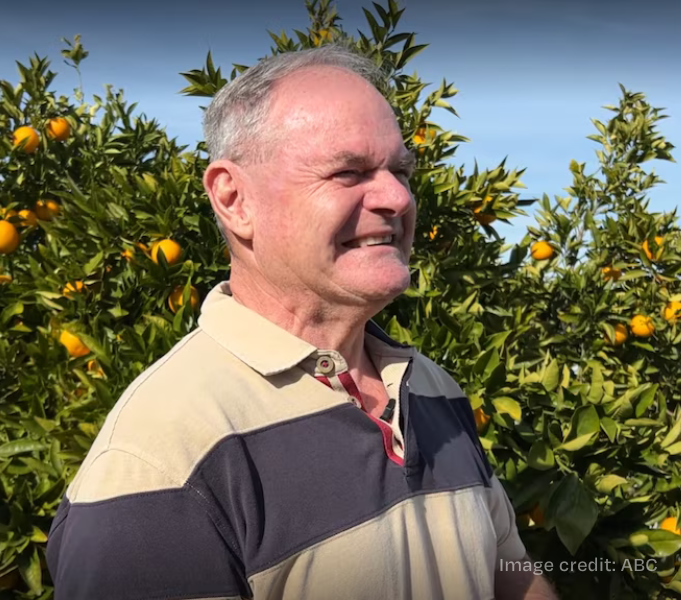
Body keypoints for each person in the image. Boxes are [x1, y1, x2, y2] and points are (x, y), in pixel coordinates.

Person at [46, 44, 558, 600]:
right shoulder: (163, 458)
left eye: (400, 170)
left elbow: (508, 573)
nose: (397, 197)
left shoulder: (433, 390)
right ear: (235, 198)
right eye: (348, 172)